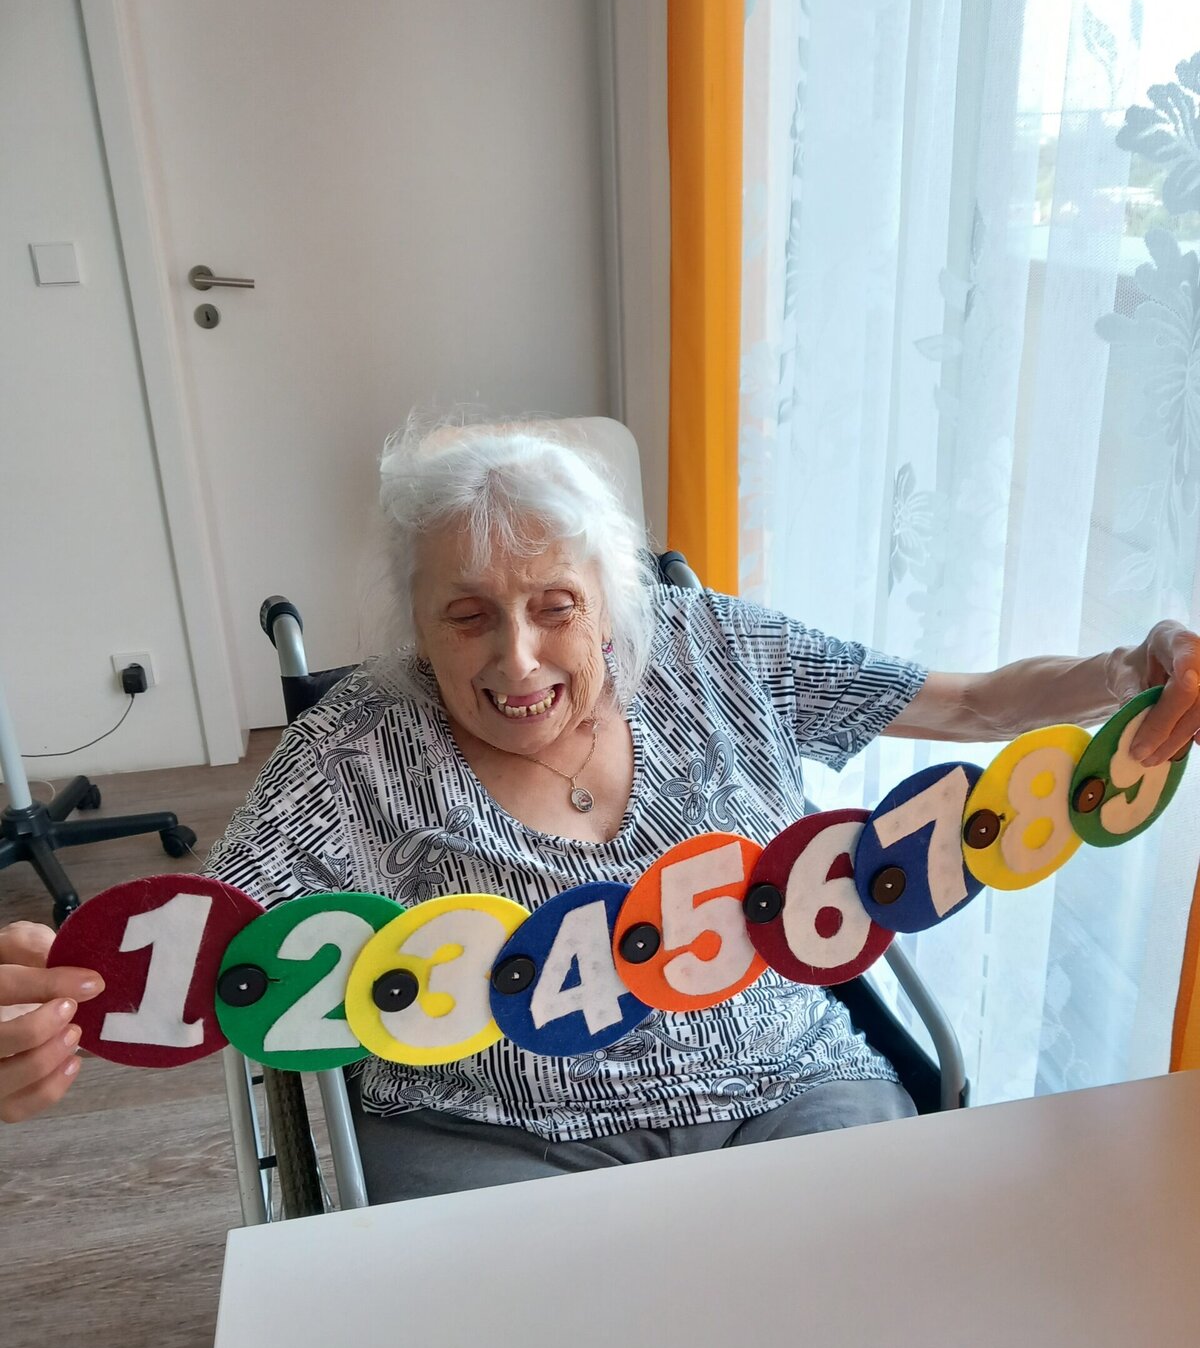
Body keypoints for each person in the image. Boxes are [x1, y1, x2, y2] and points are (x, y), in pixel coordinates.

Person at [3, 428, 1199, 1203]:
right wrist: (53, 998)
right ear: (414, 621)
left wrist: (1126, 674)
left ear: (613, 597)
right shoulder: (356, 745)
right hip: (491, 1145)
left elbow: (972, 702)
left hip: (787, 1094)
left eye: (554, 604)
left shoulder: (714, 647)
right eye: (467, 614)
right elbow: (212, 943)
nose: (517, 659)